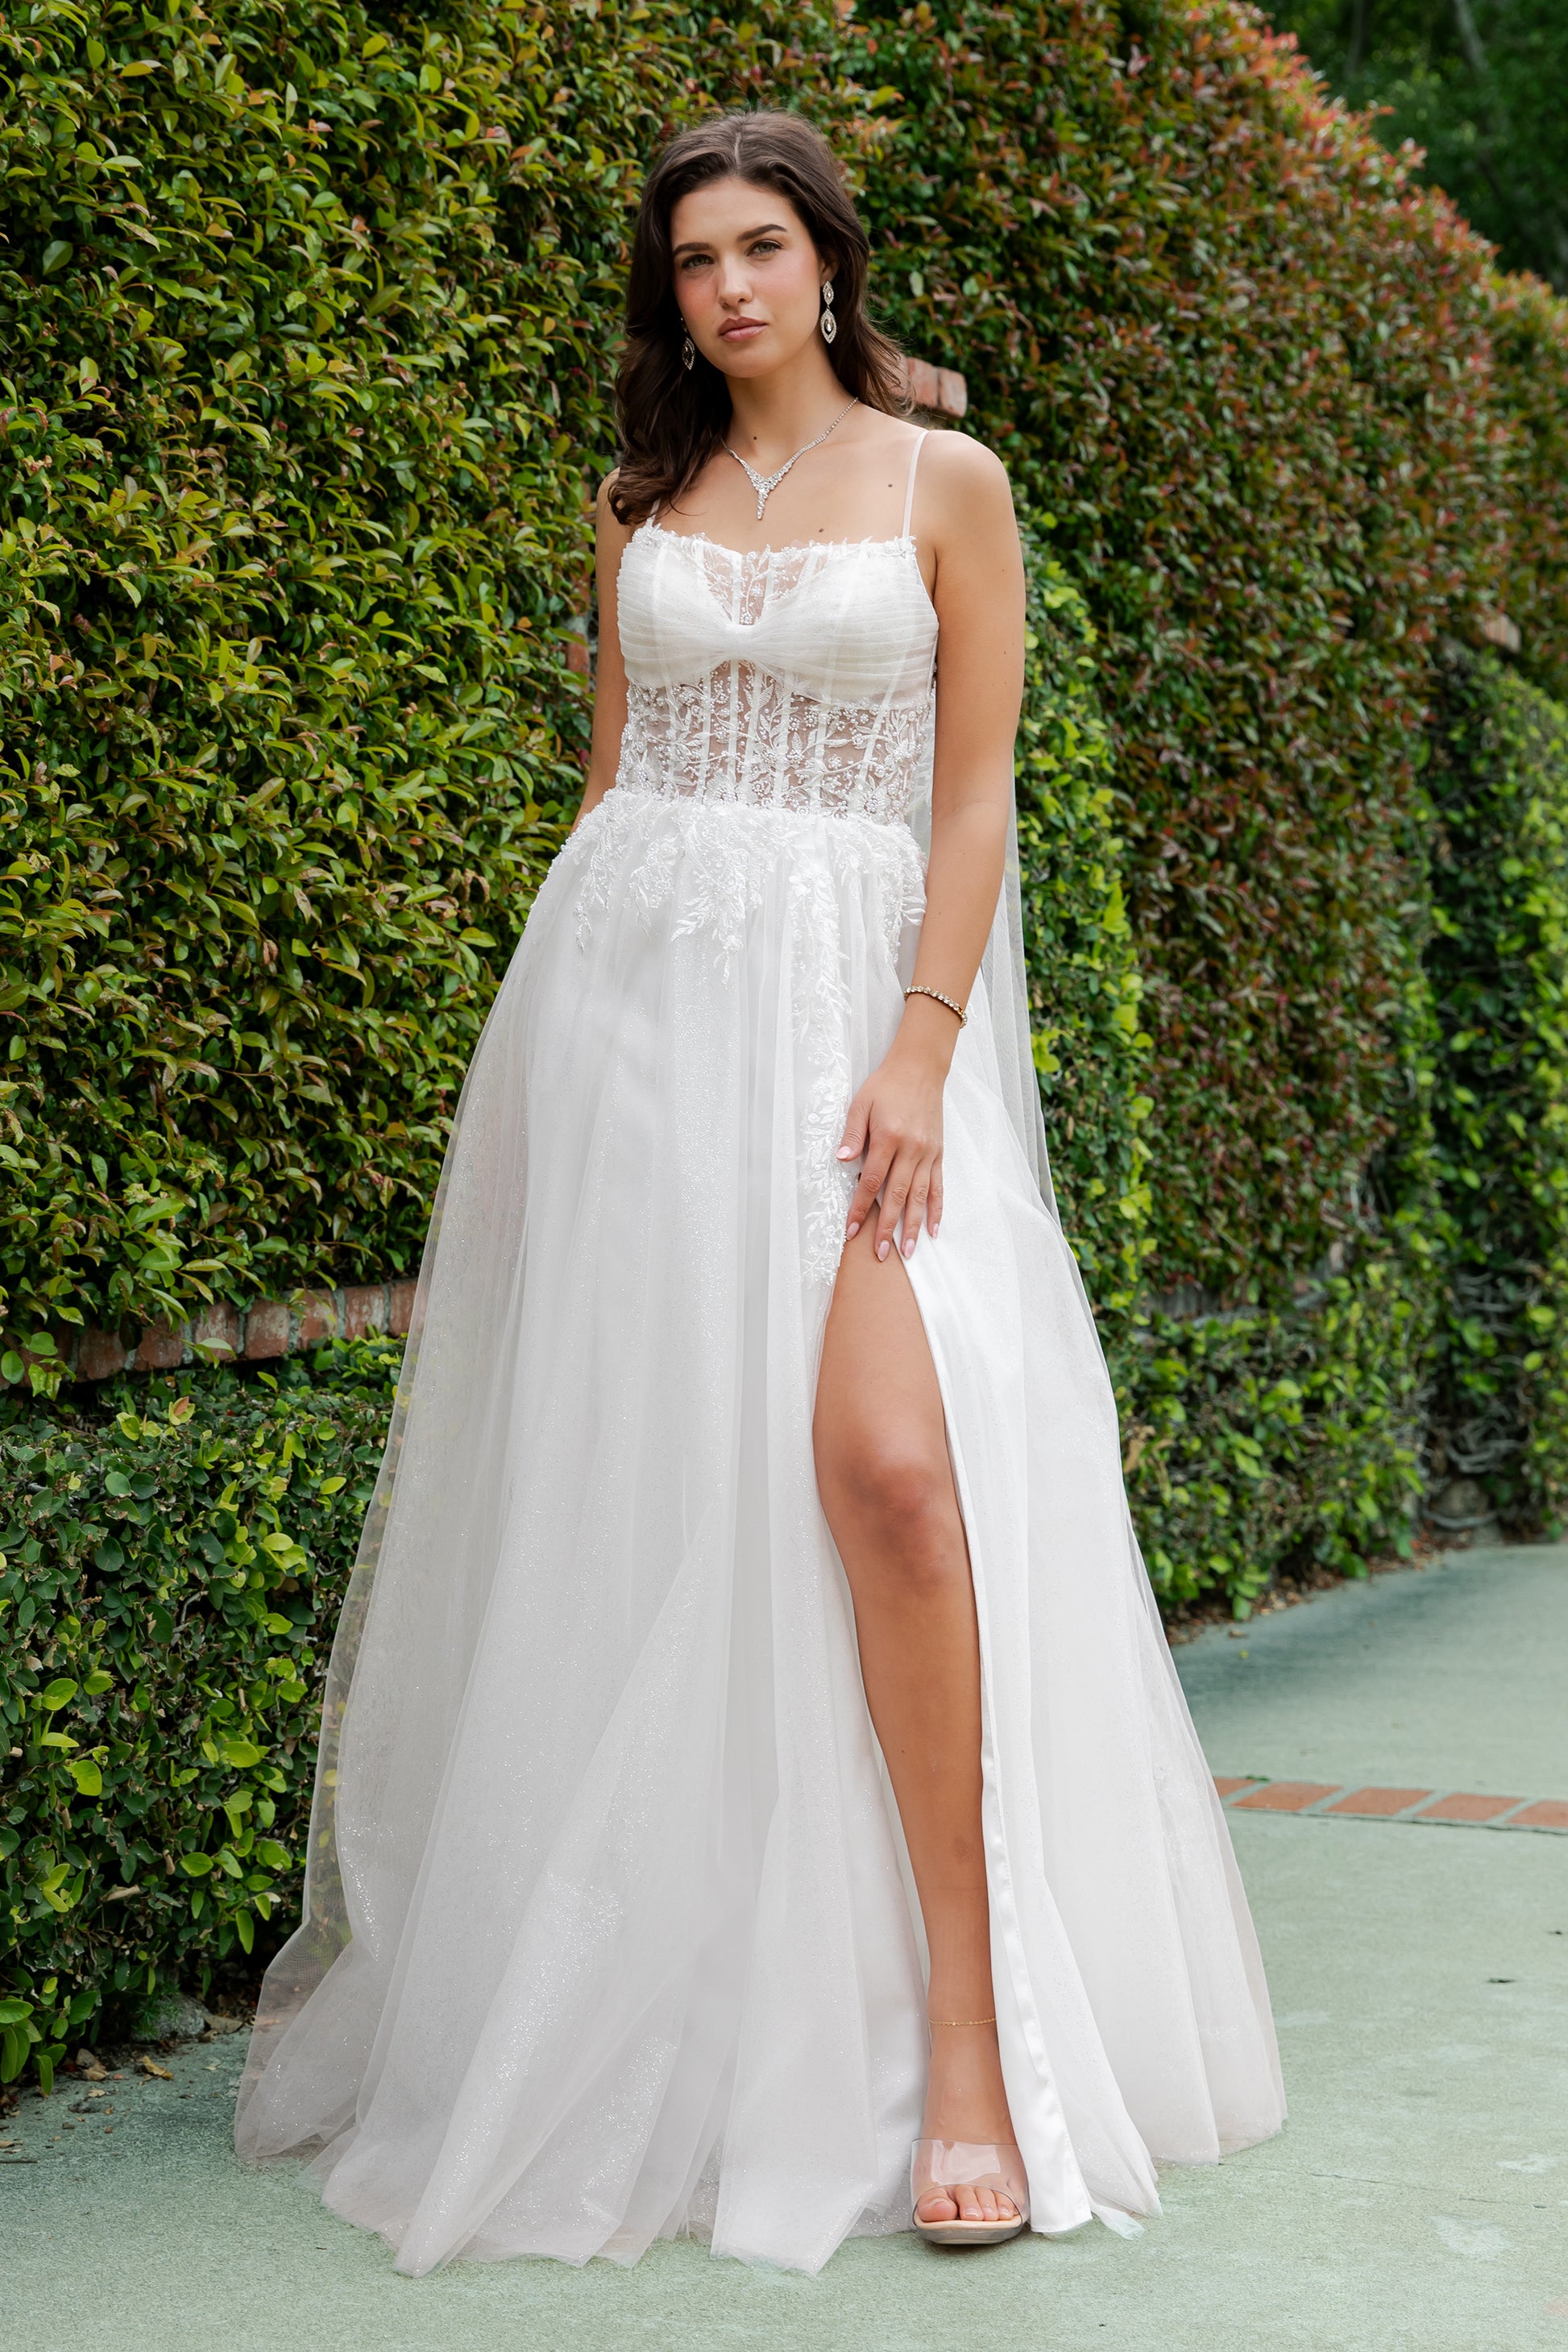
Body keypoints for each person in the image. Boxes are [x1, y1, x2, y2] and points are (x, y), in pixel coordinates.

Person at [235, 107, 1284, 2274]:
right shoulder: (638, 499)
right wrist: (548, 1086)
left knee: (893, 1475)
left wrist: (915, 1043)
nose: (728, 288)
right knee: (674, 1501)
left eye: (761, 248)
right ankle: (704, 2028)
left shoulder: (945, 486)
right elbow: (613, 784)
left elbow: (969, 785)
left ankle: (978, 2052)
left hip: (854, 1030)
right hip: (634, 1020)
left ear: (826, 263)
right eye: (693, 259)